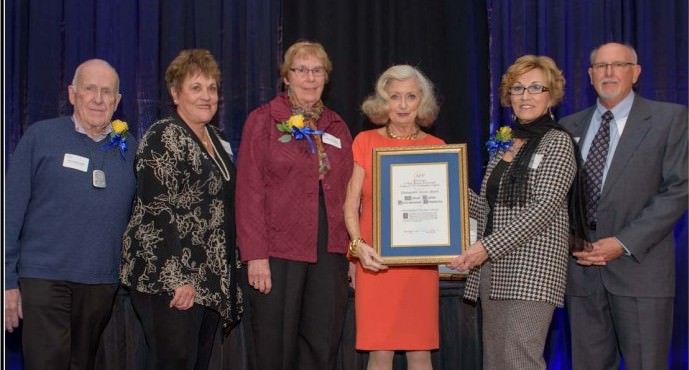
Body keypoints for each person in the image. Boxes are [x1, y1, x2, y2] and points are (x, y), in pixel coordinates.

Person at [561, 42, 688, 370]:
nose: (609, 72)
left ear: (636, 72)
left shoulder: (669, 119)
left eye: (618, 64)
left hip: (640, 272)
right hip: (582, 273)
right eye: (601, 66)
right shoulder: (568, 126)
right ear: (590, 76)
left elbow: (678, 189)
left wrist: (622, 242)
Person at [5, 59, 136, 370]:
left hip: (101, 282)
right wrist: (6, 281)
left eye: (107, 92)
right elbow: (9, 211)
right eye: (90, 89)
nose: (98, 99)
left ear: (117, 101)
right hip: (44, 278)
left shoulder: (130, 148)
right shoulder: (41, 137)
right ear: (72, 94)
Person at [448, 55, 576, 370]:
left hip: (533, 268)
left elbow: (543, 208)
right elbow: (489, 210)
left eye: (535, 88)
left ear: (551, 95)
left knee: (520, 359)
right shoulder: (504, 143)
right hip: (494, 269)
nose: (525, 96)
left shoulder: (557, 142)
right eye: (517, 88)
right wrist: (448, 185)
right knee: (496, 361)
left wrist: (484, 248)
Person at [120, 49, 243, 370]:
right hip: (168, 279)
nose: (207, 96)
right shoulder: (162, 136)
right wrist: (178, 279)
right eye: (196, 88)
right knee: (173, 361)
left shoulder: (217, 138)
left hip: (209, 280)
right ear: (176, 94)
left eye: (212, 88)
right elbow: (156, 212)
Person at [235, 41, 353, 370]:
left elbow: (351, 195)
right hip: (277, 250)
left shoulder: (337, 126)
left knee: (322, 342)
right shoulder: (263, 121)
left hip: (329, 250)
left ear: (326, 77)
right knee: (274, 346)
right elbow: (249, 191)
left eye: (317, 71)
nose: (310, 78)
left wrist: (354, 251)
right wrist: (255, 255)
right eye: (301, 70)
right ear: (286, 76)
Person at [343, 64, 443, 370]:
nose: (402, 105)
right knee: (380, 352)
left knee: (420, 351)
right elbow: (350, 205)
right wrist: (357, 247)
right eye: (394, 96)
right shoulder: (365, 141)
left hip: (419, 264)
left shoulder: (437, 148)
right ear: (383, 101)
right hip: (376, 262)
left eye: (410, 96)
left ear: (421, 102)